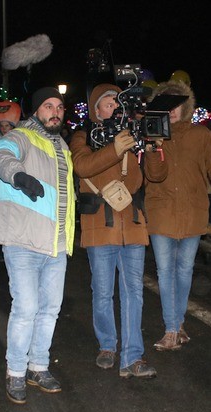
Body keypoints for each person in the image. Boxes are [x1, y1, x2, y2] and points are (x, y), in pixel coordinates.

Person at [69, 83, 164, 378]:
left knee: (134, 291)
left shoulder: (134, 133)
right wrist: (115, 148)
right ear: (96, 110)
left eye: (118, 103)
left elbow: (158, 175)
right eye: (108, 103)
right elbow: (83, 167)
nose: (115, 107)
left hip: (132, 224)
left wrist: (151, 147)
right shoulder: (84, 136)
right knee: (102, 291)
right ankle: (107, 345)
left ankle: (133, 356)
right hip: (100, 224)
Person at [0, 87, 75, 404]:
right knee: (26, 309)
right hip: (24, 241)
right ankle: (15, 372)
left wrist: (82, 200)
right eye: (48, 106)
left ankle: (39, 366)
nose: (55, 111)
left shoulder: (62, 146)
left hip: (55, 243)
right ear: (36, 111)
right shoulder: (22, 135)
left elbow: (58, 194)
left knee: (49, 310)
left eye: (59, 107)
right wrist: (17, 175)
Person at [143, 79, 211, 351]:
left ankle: (177, 323)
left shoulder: (202, 136)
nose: (172, 110)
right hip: (161, 211)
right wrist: (153, 145)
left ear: (186, 107)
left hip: (193, 212)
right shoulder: (153, 134)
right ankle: (171, 329)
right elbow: (153, 175)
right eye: (166, 105)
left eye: (177, 104)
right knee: (165, 271)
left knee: (184, 271)